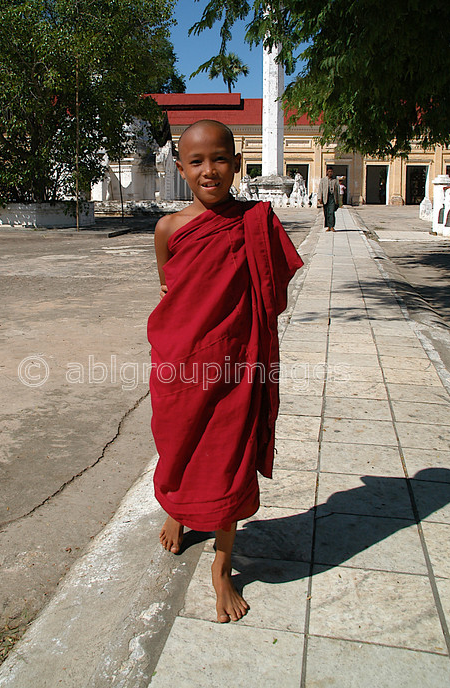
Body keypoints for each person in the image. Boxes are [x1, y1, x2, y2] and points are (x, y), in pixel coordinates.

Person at [147, 119, 303, 623]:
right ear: (181, 169)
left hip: (238, 362)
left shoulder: (257, 222)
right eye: (196, 162)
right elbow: (173, 295)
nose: (209, 171)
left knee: (228, 455)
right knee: (179, 440)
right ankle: (178, 505)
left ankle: (222, 566)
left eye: (220, 159)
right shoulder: (169, 228)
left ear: (238, 164)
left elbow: (270, 293)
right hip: (183, 360)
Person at [317, 165, 340, 231]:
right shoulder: (323, 180)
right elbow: (320, 189)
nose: (330, 173)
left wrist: (338, 201)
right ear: (327, 172)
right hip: (325, 197)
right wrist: (319, 198)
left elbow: (338, 191)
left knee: (331, 212)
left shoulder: (335, 181)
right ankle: (328, 226)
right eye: (329, 171)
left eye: (331, 172)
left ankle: (332, 226)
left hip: (332, 197)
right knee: (326, 212)